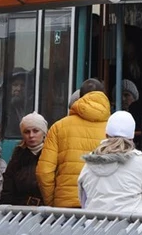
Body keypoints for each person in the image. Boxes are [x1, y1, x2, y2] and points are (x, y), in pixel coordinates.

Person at [36, 78, 110, 208]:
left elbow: (44, 172)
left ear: (80, 97)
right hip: (100, 206)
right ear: (104, 96)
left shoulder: (58, 127)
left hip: (65, 207)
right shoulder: (112, 129)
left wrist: (52, 202)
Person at [3, 112, 48, 206]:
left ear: (44, 133)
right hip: (20, 211)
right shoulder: (17, 156)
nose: (31, 135)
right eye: (27, 132)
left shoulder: (51, 153)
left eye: (36, 131)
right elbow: (8, 187)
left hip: (46, 212)